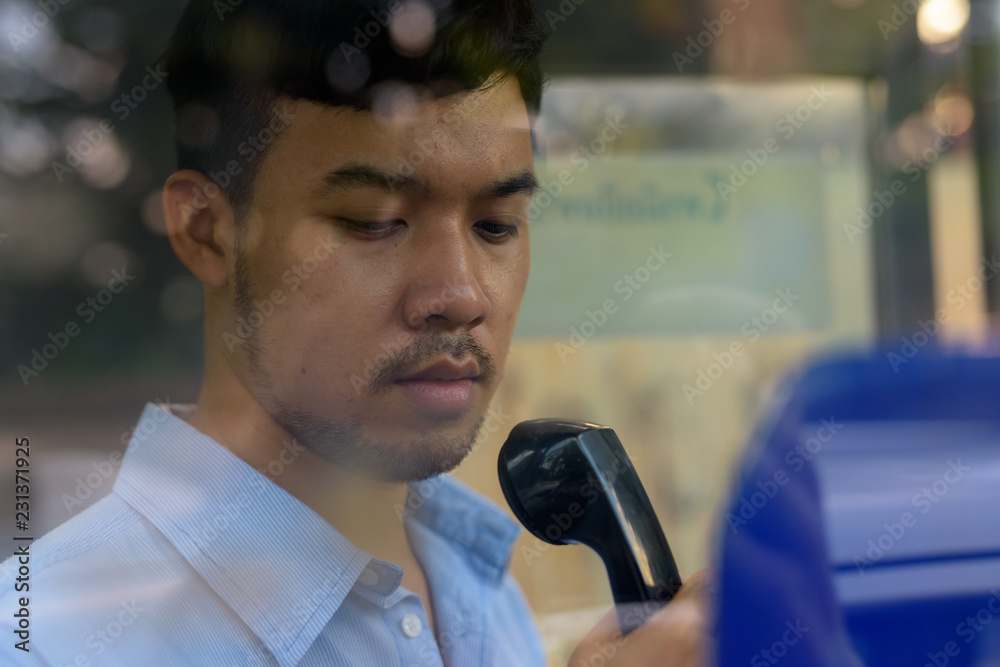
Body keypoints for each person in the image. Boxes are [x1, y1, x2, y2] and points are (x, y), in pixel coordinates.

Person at [1, 0, 709, 664]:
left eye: (496, 225)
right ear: (206, 230)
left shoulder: (475, 578)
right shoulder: (45, 640)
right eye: (372, 221)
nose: (459, 294)